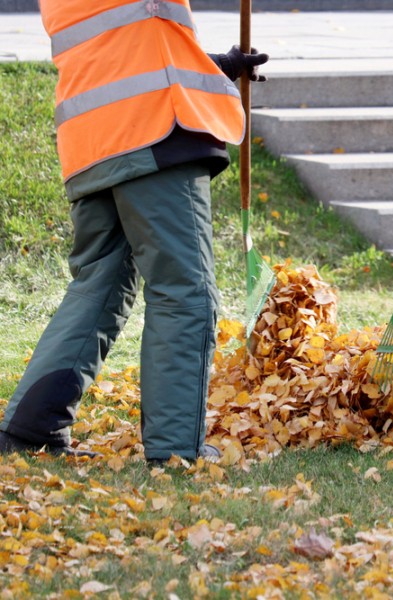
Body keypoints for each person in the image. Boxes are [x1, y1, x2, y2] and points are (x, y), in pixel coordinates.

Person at [0, 0, 267, 463]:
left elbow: (125, 34)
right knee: (185, 289)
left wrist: (204, 66)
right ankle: (175, 452)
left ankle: (30, 429)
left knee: (99, 286)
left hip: (92, 136)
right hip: (152, 128)